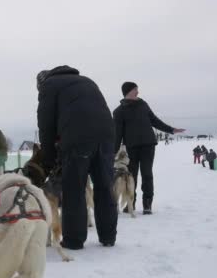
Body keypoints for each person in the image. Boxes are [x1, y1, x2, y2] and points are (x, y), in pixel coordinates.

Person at [36, 65, 117, 249]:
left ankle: (74, 240)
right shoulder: (87, 81)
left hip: (78, 138)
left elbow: (46, 126)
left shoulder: (49, 85)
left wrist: (48, 159)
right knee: (104, 186)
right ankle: (108, 236)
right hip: (106, 135)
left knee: (74, 188)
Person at [113, 82, 185, 214]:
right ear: (128, 91)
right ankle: (131, 204)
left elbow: (155, 121)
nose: (138, 92)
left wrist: (171, 130)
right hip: (131, 148)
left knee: (147, 174)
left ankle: (147, 204)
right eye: (135, 89)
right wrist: (113, 152)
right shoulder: (118, 112)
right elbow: (117, 134)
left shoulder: (143, 104)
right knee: (131, 177)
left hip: (148, 145)